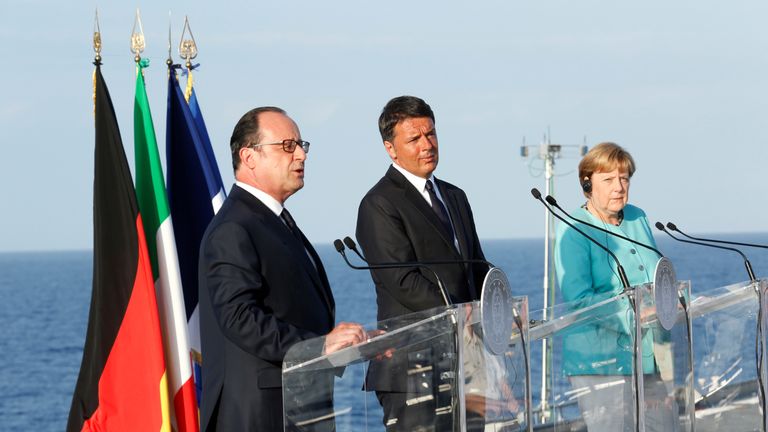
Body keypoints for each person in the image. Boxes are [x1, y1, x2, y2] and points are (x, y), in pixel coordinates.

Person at [198, 107, 367, 431]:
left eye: (302, 144)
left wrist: (350, 344)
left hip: (298, 406)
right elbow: (239, 318)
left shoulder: (271, 221)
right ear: (249, 157)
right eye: (288, 145)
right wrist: (320, 346)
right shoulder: (234, 228)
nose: (301, 154)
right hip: (261, 416)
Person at [355, 96, 490, 431]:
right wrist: (462, 312)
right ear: (391, 148)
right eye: (414, 139)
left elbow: (475, 265)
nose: (427, 145)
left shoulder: (455, 196)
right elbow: (402, 280)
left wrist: (497, 301)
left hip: (465, 361)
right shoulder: (379, 203)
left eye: (431, 134)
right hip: (412, 365)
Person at [554, 142, 679, 432]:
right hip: (601, 365)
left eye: (624, 178)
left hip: (652, 359)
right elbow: (579, 300)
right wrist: (636, 315)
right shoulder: (574, 229)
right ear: (587, 184)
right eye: (608, 179)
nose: (619, 187)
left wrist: (684, 302)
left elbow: (659, 279)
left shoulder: (638, 217)